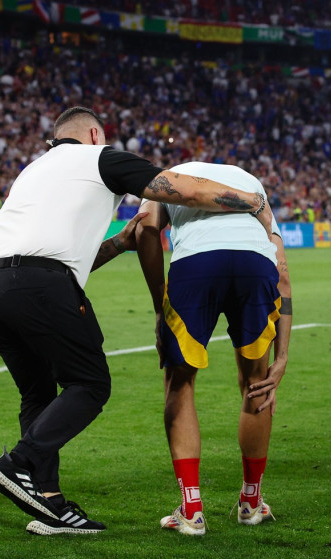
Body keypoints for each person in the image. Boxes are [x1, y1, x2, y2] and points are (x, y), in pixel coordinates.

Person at [0, 107, 272, 536]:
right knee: (91, 384)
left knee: (38, 390)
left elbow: (57, 258)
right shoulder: (101, 158)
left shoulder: (32, 171)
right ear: (95, 134)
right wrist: (254, 201)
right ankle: (19, 462)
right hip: (36, 284)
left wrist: (119, 242)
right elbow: (183, 191)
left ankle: (50, 503)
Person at [135, 161, 292, 536]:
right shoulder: (252, 184)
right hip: (255, 265)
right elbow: (282, 271)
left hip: (196, 265)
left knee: (180, 382)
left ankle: (191, 511)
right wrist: (283, 356)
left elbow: (145, 229)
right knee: (258, 381)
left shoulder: (167, 176)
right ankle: (251, 504)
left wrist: (160, 304)